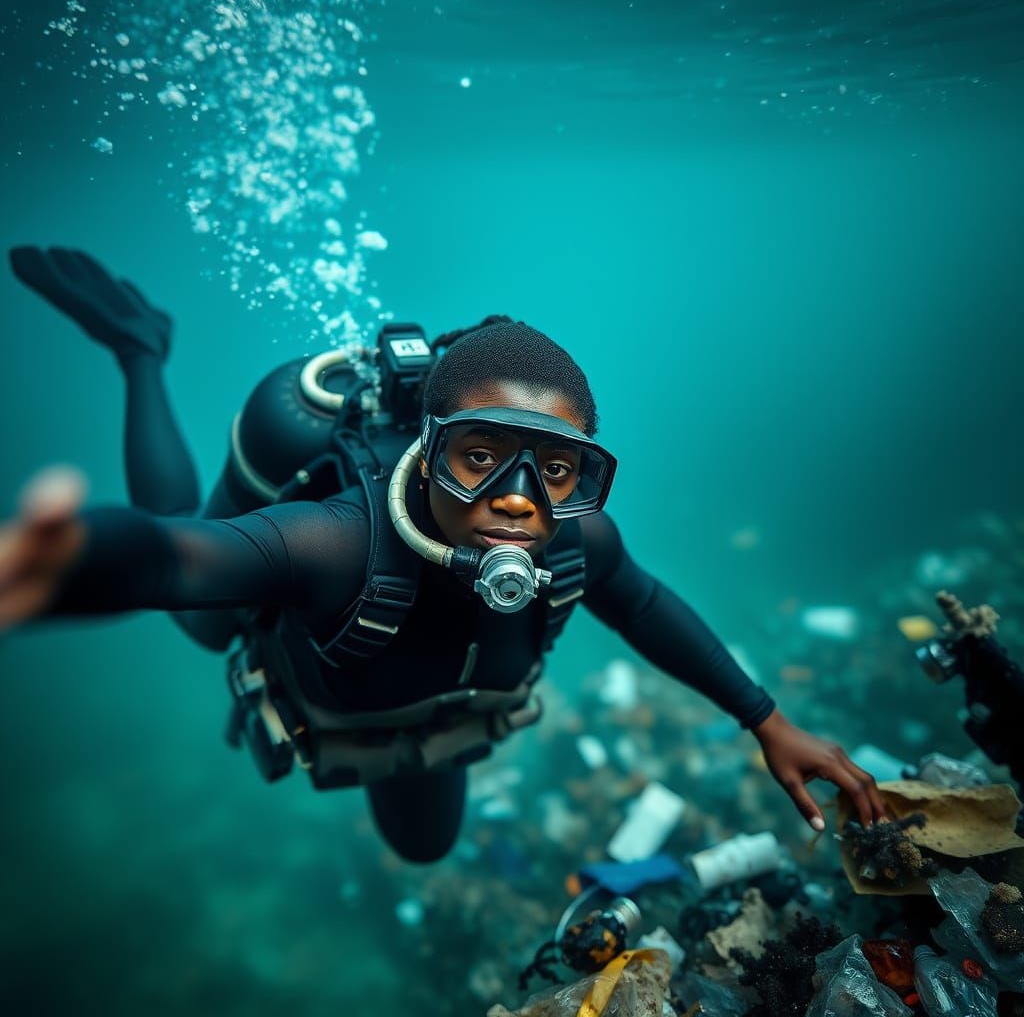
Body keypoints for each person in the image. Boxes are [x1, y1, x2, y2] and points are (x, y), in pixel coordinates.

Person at [0, 246, 887, 863]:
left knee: (424, 849)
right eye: (477, 456)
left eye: (554, 469)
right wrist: (67, 566)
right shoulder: (337, 544)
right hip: (304, 642)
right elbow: (167, 561)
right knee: (195, 609)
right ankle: (141, 352)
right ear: (427, 447)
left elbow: (647, 605)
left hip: (421, 727)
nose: (516, 497)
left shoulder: (581, 543)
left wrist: (765, 720)